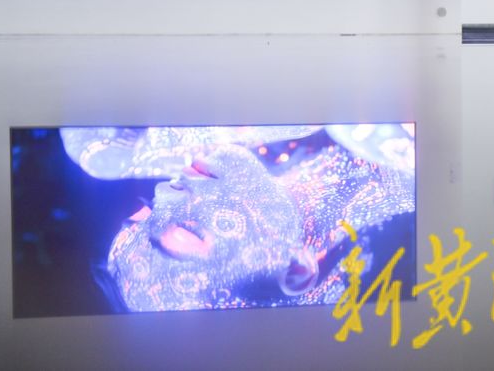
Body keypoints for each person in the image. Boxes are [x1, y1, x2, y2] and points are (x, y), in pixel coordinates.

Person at [60, 124, 415, 312]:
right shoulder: (414, 161)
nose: (162, 192)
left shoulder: (276, 154)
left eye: (143, 213)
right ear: (295, 267)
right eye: (185, 233)